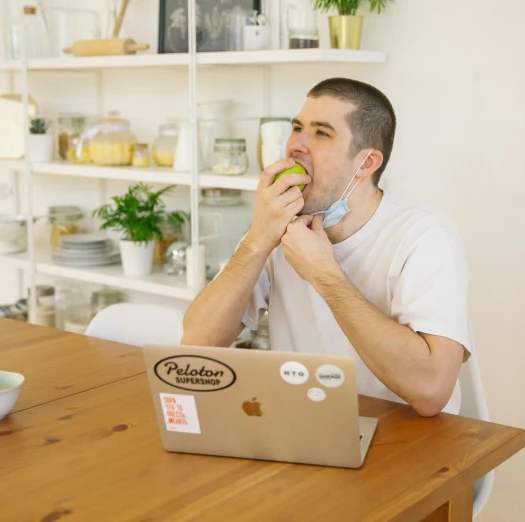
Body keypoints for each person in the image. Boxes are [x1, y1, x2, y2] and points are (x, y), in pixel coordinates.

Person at [182, 78, 472, 417]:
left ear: (366, 163)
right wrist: (259, 238)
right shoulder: (277, 225)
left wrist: (325, 275)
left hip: (409, 444)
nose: (296, 146)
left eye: (321, 133)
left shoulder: (425, 237)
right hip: (307, 427)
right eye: (297, 128)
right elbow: (195, 346)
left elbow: (432, 390)